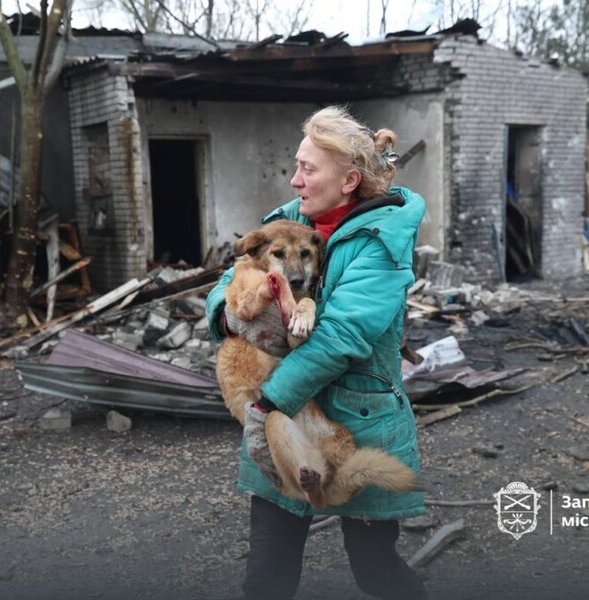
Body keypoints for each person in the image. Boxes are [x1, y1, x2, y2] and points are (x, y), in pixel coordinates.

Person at [206, 105, 428, 600]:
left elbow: (342, 338)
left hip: (359, 417)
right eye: (296, 165)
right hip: (284, 426)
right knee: (267, 573)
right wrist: (227, 317)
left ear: (349, 179)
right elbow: (227, 282)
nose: (293, 180)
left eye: (307, 169)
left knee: (376, 569)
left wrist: (269, 402)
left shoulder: (380, 241)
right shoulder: (285, 222)